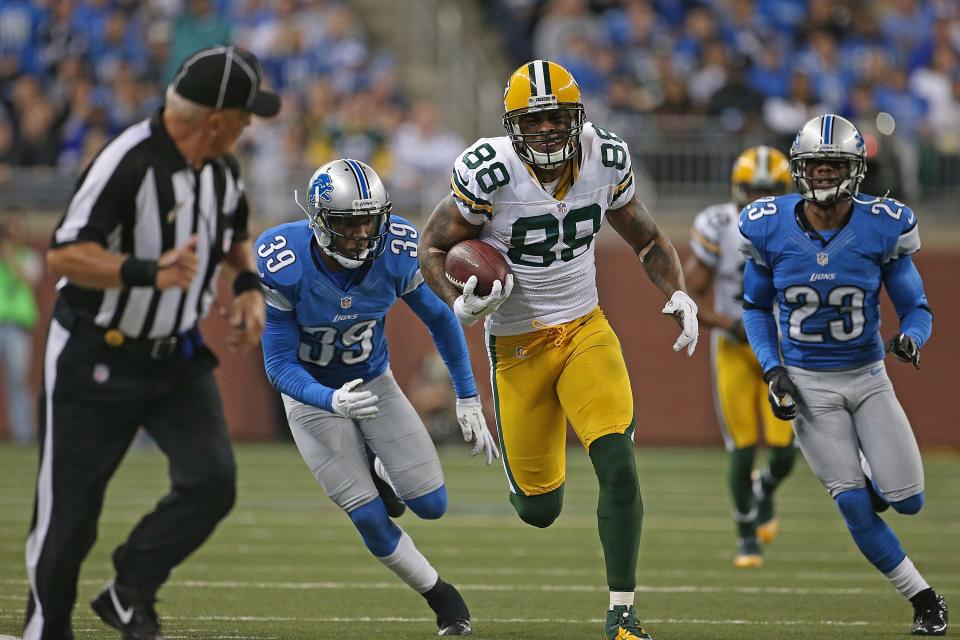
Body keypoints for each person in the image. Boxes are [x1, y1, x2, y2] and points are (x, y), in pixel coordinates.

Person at [418, 60, 699, 640]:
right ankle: (537, 492)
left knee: (617, 461)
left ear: (577, 118)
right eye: (534, 119)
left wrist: (678, 294)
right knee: (538, 510)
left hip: (584, 328)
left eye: (556, 118)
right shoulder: (489, 170)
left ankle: (622, 613)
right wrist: (456, 301)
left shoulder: (605, 158)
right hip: (517, 346)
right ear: (513, 124)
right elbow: (431, 247)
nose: (546, 129)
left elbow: (646, 238)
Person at [24, 45, 280, 640]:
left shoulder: (220, 170)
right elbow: (64, 253)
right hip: (97, 352)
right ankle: (46, 628)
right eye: (245, 115)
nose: (250, 126)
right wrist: (146, 270)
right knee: (70, 514)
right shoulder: (126, 162)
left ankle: (128, 588)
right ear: (215, 120)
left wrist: (245, 287)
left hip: (175, 357)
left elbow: (234, 232)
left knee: (213, 481)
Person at [255, 158, 499, 637]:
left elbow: (441, 318)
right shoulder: (284, 261)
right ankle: (441, 598)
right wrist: (329, 401)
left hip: (372, 380)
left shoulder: (396, 249)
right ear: (321, 221)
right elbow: (278, 364)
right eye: (348, 224)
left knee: (431, 505)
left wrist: (468, 397)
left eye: (369, 221)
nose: (362, 235)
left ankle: (380, 463)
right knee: (368, 515)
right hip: (311, 395)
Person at [739, 114, 947, 636]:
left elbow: (917, 307)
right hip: (809, 386)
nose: (825, 174)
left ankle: (878, 483)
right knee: (853, 505)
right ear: (798, 168)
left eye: (835, 165)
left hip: (868, 375)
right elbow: (755, 309)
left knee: (909, 501)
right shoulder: (766, 224)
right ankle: (923, 599)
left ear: (855, 171)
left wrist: (911, 339)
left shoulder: (883, 224)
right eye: (816, 164)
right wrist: (773, 371)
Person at [684, 146, 798, 568]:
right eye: (753, 191)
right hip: (735, 346)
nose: (760, 201)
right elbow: (689, 291)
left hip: (783, 349)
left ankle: (763, 490)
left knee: (785, 449)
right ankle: (746, 534)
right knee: (742, 447)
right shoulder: (721, 226)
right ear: (737, 190)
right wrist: (727, 323)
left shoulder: (804, 226)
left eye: (770, 191)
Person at [0, 214, 42, 445]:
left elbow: (31, 280)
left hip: (17, 328)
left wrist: (10, 260)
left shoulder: (29, 257)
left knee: (18, 381)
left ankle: (23, 434)